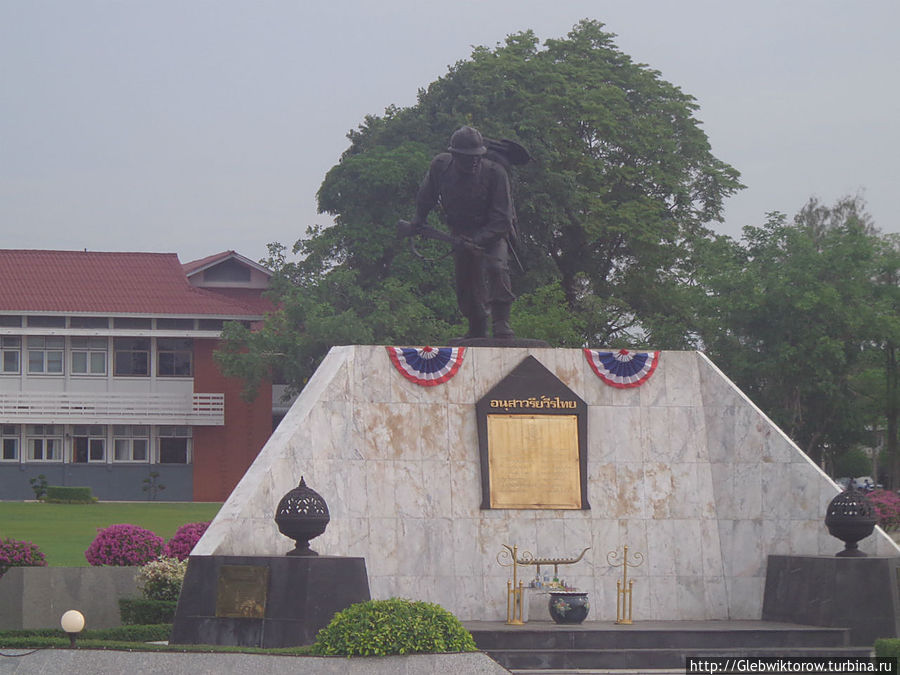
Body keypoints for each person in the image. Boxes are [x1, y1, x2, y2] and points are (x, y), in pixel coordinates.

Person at [408, 126, 517, 339]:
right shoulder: (440, 167)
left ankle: (501, 321)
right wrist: (418, 220)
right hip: (460, 232)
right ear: (455, 155)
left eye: (477, 156)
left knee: (496, 267)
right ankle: (476, 325)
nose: (474, 161)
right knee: (466, 280)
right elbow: (426, 195)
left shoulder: (495, 173)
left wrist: (478, 240)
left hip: (492, 232)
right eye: (468, 157)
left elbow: (502, 218)